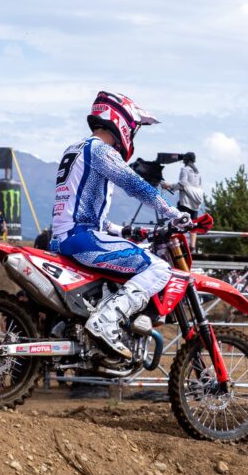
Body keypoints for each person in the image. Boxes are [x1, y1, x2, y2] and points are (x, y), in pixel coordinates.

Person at [51, 91, 191, 358]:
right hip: (81, 239)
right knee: (159, 269)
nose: (133, 134)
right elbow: (134, 184)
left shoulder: (75, 149)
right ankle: (106, 321)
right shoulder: (100, 150)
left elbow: (81, 205)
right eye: (134, 128)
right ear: (120, 120)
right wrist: (172, 212)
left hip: (64, 237)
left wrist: (120, 230)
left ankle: (78, 327)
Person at [162, 152, 203, 248]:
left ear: (186, 159)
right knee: (192, 224)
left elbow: (182, 184)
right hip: (196, 203)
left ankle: (173, 244)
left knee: (176, 221)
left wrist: (169, 186)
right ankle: (192, 246)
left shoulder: (185, 169)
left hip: (185, 202)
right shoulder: (198, 172)